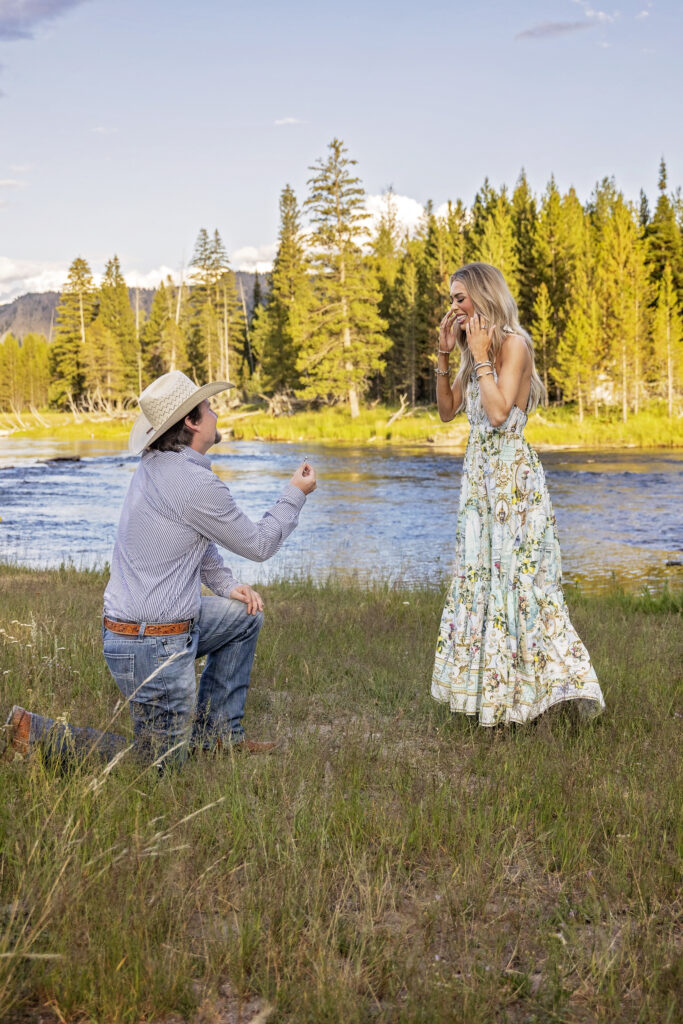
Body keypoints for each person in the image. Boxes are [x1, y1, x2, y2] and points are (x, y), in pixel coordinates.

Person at [4, 370, 316, 766]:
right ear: (191, 422)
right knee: (159, 764)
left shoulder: (156, 465)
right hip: (152, 644)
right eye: (209, 408)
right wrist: (295, 494)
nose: (216, 414)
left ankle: (217, 735)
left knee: (244, 616)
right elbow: (259, 544)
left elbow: (191, 542)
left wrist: (225, 584)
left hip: (139, 633)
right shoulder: (193, 484)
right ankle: (34, 733)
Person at [431, 263, 605, 726]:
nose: (454, 307)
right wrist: (447, 356)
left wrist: (482, 354)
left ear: (484, 296)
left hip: (512, 481)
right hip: (480, 484)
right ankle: (494, 699)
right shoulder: (475, 349)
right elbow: (449, 411)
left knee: (520, 585)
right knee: (482, 583)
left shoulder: (513, 344)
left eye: (460, 298)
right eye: (451, 299)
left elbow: (496, 413)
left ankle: (555, 692)